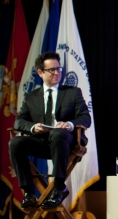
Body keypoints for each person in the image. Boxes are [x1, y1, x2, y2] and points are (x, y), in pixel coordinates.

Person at [10, 51, 91, 209]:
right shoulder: (31, 96)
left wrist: (69, 124)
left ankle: (59, 187)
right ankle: (28, 192)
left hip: (65, 142)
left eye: (58, 69)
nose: (56, 73)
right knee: (15, 143)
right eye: (51, 70)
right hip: (42, 143)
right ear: (40, 73)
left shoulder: (72, 93)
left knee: (58, 132)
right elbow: (19, 121)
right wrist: (33, 127)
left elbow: (85, 118)